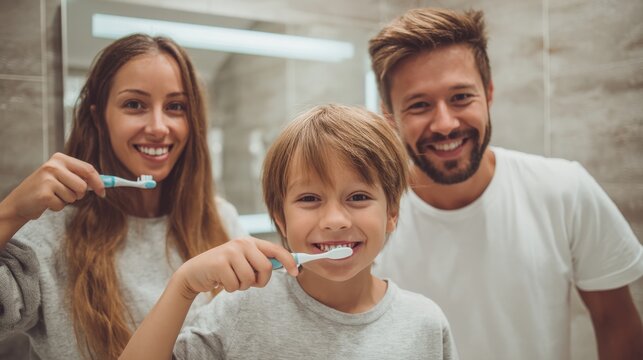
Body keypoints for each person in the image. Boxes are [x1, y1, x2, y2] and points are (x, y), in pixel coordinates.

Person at [367, 7, 643, 360]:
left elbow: (615, 322)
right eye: (419, 105)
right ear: (389, 116)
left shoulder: (564, 189)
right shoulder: (367, 216)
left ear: (489, 93)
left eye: (461, 97)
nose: (445, 123)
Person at [120, 104, 458, 360]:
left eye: (358, 197)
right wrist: (184, 286)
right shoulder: (241, 310)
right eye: (309, 198)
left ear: (392, 212)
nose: (335, 219)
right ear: (280, 218)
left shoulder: (424, 324)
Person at [0, 34, 247, 359]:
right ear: (99, 118)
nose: (158, 126)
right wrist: (9, 212)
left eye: (175, 107)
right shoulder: (50, 235)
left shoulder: (220, 220)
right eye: (135, 105)